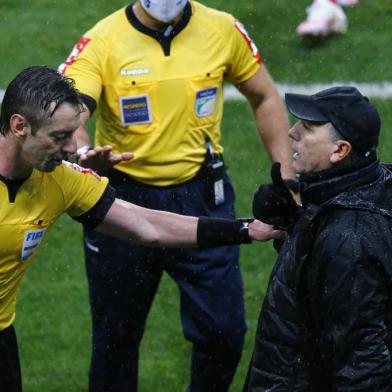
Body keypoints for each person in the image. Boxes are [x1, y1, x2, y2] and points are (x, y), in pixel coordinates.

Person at [0, 65, 285, 392]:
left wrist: (245, 229)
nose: (70, 149)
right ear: (19, 126)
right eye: (59, 137)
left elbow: (146, 226)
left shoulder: (60, 179)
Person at [59, 1, 294, 391]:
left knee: (225, 333)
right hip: (122, 203)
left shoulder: (223, 29)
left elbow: (265, 96)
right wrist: (83, 152)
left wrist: (285, 176)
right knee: (115, 340)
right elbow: (72, 113)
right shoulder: (102, 41)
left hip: (203, 196)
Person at [246, 85, 392, 390]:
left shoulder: (348, 239)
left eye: (308, 128)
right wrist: (296, 222)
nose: (291, 132)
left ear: (340, 150)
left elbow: (361, 363)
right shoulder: (364, 187)